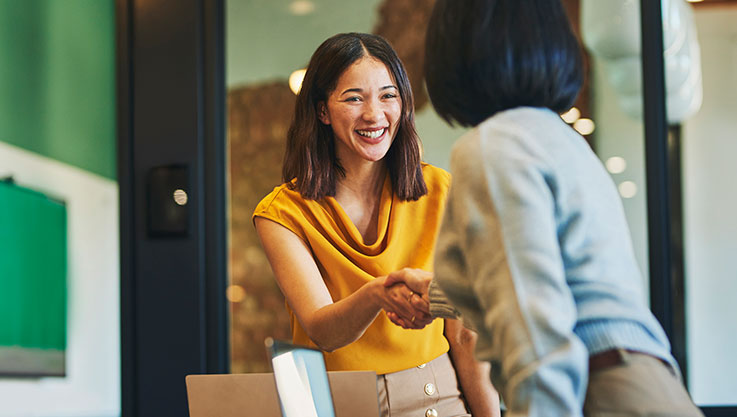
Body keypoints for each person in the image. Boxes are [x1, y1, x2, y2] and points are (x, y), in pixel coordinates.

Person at [383, 1, 705, 416]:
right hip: (644, 383)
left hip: (598, 390)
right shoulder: (560, 138)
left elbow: (536, 335)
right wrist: (437, 297)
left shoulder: (494, 147)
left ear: (457, 51)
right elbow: (559, 285)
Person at [252, 32, 500, 417]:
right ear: (322, 111)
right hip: (338, 404)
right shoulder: (281, 213)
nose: (374, 114)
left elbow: (465, 334)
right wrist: (378, 293)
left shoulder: (440, 190)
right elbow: (324, 331)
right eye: (354, 98)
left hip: (440, 398)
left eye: (388, 95)